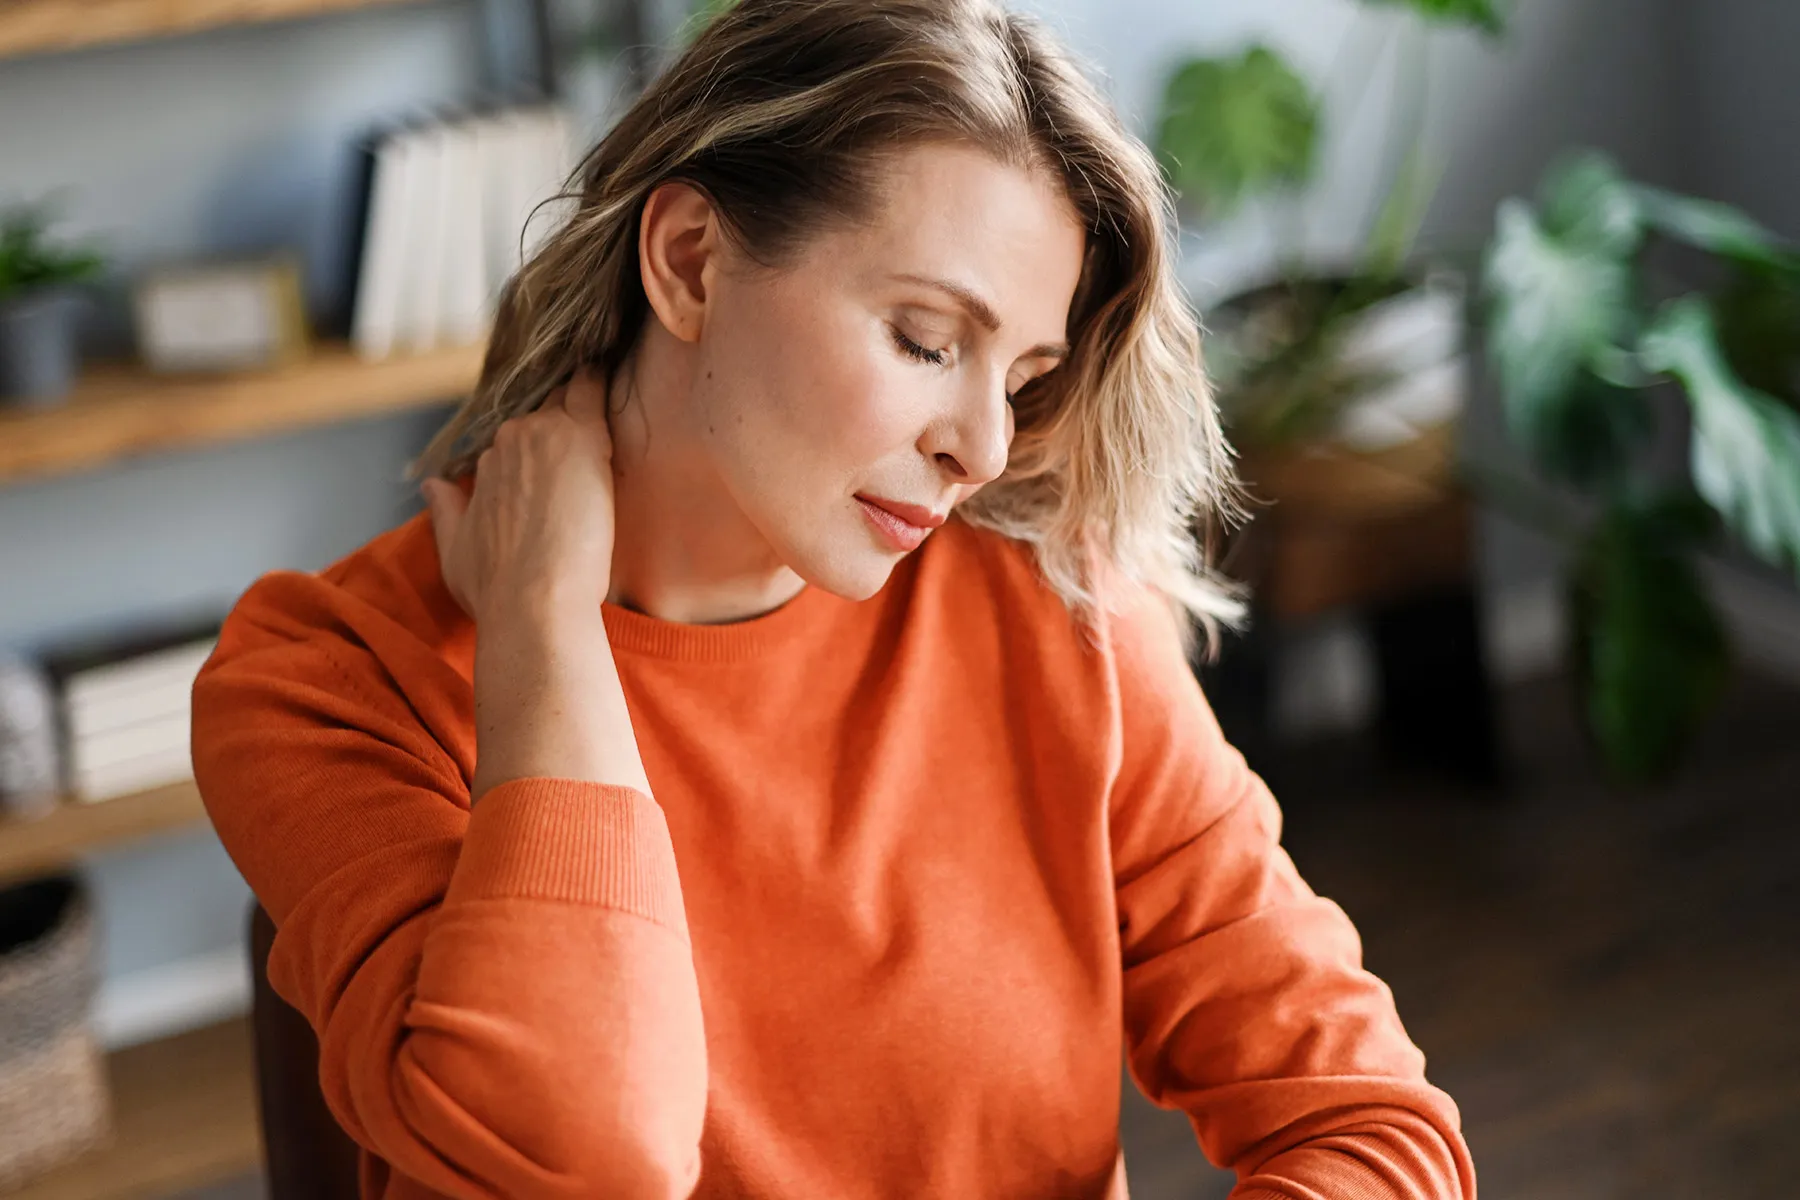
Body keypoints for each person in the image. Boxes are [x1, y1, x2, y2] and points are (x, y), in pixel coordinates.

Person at [190, 0, 1476, 1196]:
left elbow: (1372, 1129)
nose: (980, 446)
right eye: (926, 340)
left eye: (1022, 378)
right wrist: (543, 630)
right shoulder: (326, 677)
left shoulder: (1060, 610)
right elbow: (586, 1150)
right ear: (690, 261)